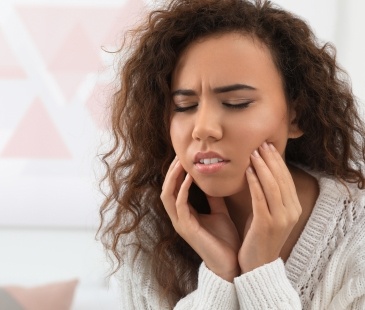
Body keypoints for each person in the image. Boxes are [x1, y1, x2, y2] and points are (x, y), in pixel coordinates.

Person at [98, 0, 365, 308]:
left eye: (236, 102)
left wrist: (260, 273)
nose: (203, 128)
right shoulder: (146, 233)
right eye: (184, 106)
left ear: (297, 115)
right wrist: (219, 275)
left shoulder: (356, 240)